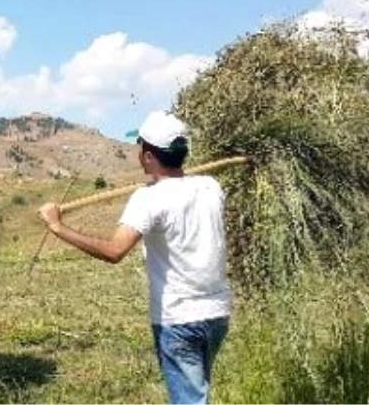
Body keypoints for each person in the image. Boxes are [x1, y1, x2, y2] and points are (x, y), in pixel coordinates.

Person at [37, 110, 232, 405]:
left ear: (150, 157)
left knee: (190, 400)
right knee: (196, 393)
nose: (138, 154)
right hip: (216, 315)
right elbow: (181, 187)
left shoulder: (148, 199)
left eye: (141, 148)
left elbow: (115, 251)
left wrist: (57, 226)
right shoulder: (210, 187)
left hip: (178, 320)